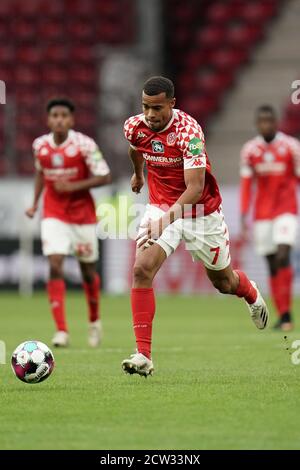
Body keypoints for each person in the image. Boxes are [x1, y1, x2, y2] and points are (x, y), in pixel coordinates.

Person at [121, 76, 269, 377]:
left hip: (200, 212)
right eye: (146, 107)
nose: (150, 115)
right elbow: (135, 147)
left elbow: (195, 188)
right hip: (161, 206)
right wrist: (138, 175)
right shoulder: (134, 126)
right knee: (141, 269)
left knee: (223, 283)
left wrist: (166, 219)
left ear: (172, 104)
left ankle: (250, 292)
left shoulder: (189, 132)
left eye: (157, 108)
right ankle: (143, 355)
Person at [25, 98, 111, 347]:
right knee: (55, 264)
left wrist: (73, 186)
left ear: (71, 120)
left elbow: (105, 176)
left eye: (64, 116)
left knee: (87, 272)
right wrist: (34, 203)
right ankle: (61, 330)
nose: (59, 120)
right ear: (48, 119)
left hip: (82, 216)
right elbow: (41, 173)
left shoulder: (84, 144)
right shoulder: (39, 145)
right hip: (53, 213)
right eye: (55, 115)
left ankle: (94, 322)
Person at [240, 105, 300, 331]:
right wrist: (244, 214)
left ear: (276, 123)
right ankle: (283, 313)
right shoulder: (250, 150)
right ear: (258, 125)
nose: (265, 125)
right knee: (272, 263)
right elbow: (247, 185)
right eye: (261, 122)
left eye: (269, 121)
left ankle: (286, 316)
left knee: (284, 255)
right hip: (262, 214)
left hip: (286, 210)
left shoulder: (291, 147)